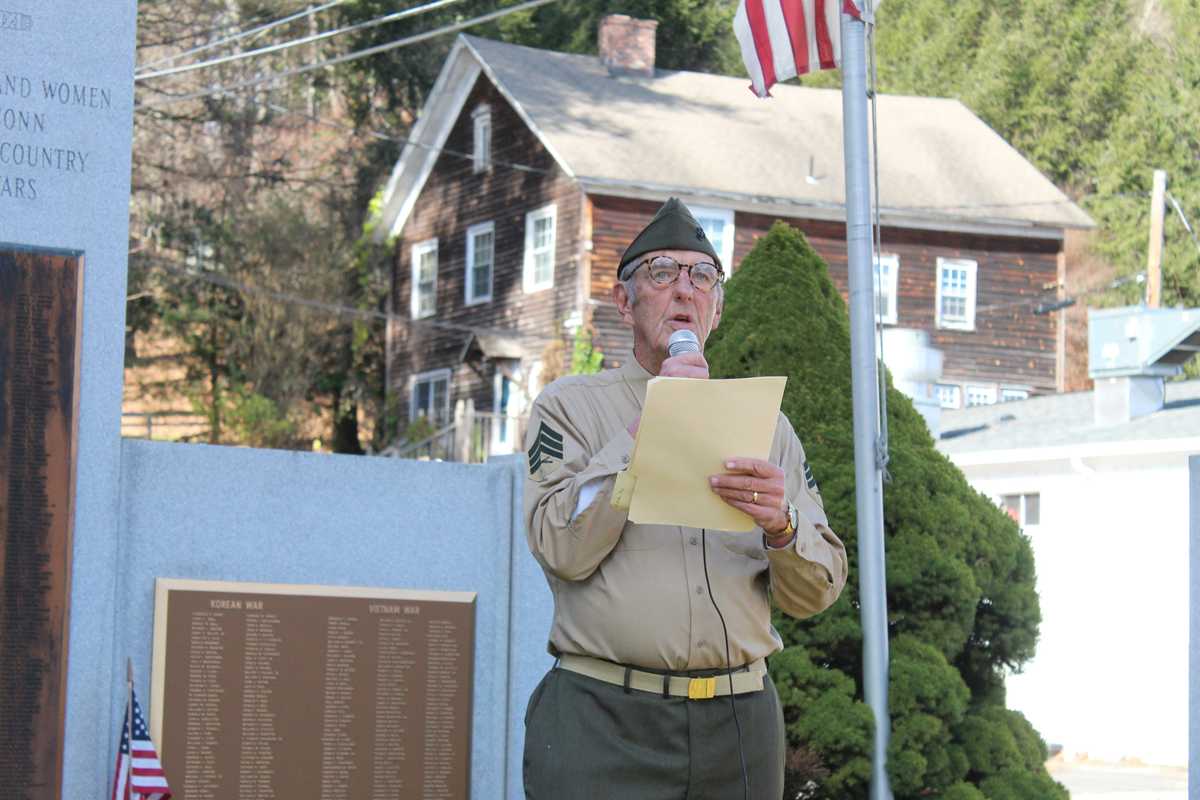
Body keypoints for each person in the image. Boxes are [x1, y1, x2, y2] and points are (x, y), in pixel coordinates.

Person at [522, 198, 848, 799]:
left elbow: (817, 591)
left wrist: (782, 526)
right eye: (662, 272)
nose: (683, 290)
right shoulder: (570, 407)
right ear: (624, 302)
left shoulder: (766, 426)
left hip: (739, 722)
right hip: (603, 718)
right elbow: (560, 547)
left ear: (717, 309)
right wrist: (649, 427)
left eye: (702, 277)